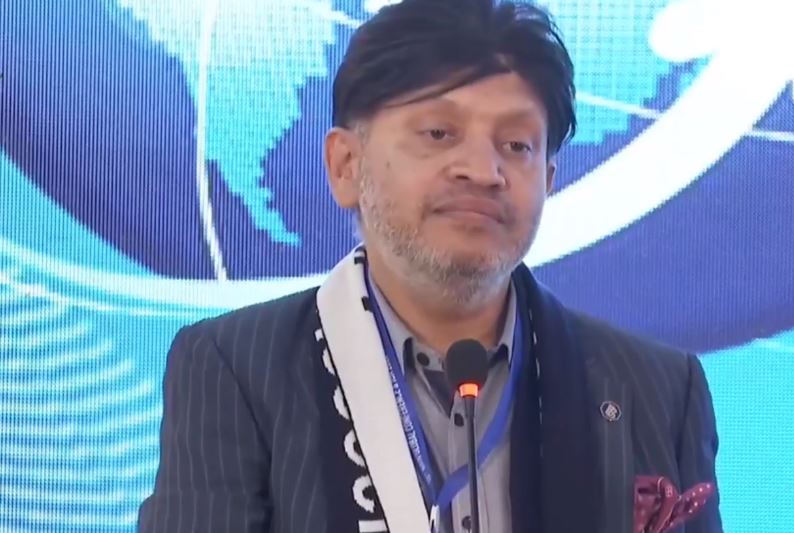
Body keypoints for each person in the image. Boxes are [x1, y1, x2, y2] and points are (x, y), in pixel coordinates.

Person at [138, 0, 722, 532]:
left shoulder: (661, 389)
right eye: (439, 133)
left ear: (548, 181)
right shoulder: (236, 369)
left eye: (516, 145)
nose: (483, 171)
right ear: (346, 165)